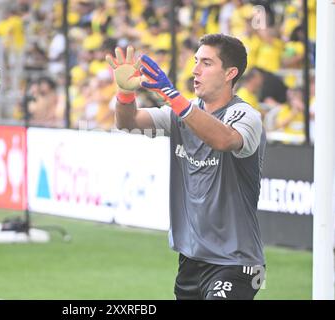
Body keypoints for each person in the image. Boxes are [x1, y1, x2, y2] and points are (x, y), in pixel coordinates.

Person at [106, 34, 266, 300]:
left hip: (237, 263)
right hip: (191, 260)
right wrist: (125, 93)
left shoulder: (245, 116)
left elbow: (224, 139)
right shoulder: (182, 113)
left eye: (206, 62)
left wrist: (173, 97)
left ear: (230, 73)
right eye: (195, 61)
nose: (195, 70)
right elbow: (130, 121)